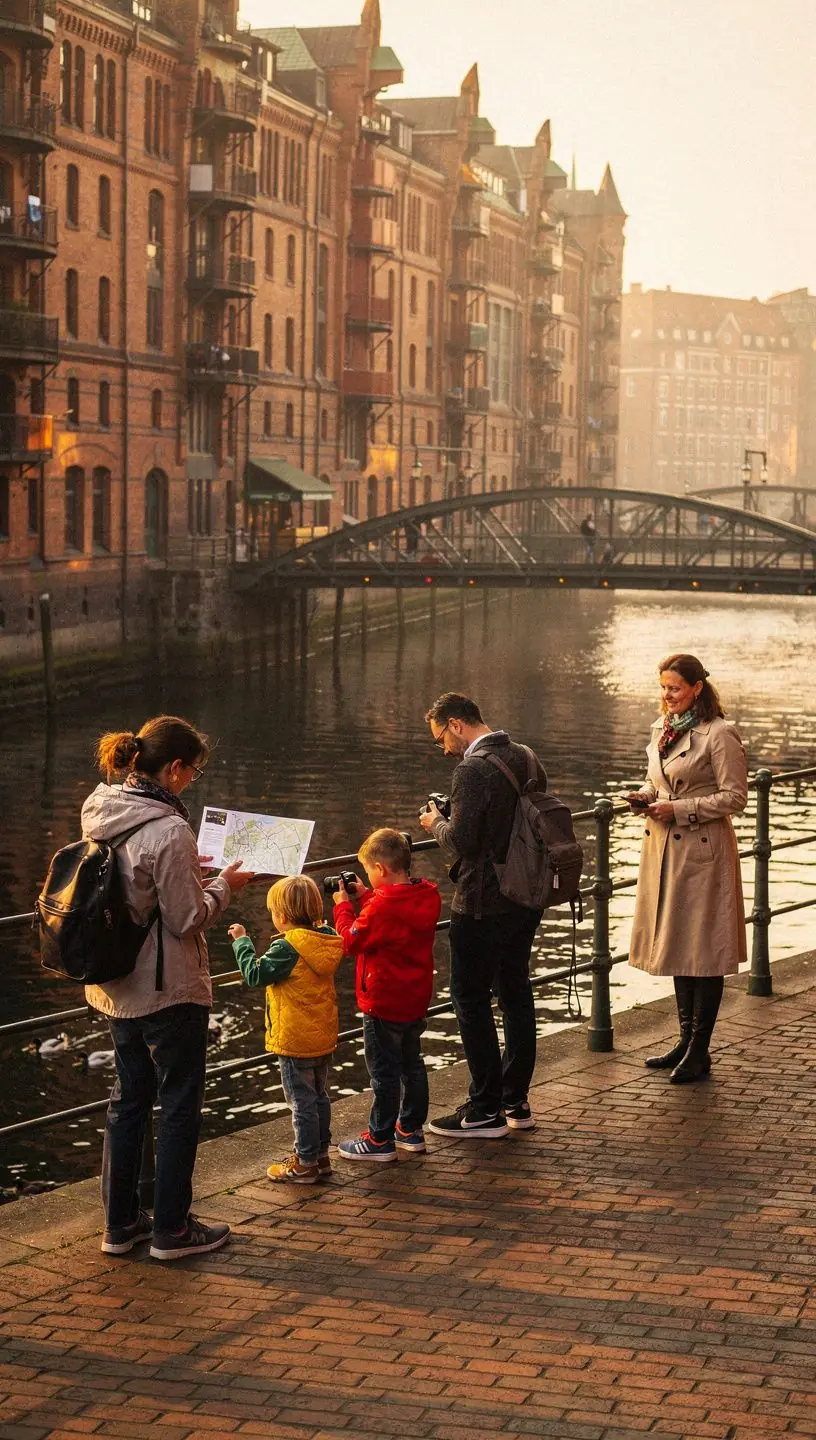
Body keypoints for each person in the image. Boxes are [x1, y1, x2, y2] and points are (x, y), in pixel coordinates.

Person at [82, 715, 254, 1261]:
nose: (191, 781)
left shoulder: (103, 809)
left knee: (128, 1099)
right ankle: (173, 1230)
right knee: (179, 1102)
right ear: (174, 768)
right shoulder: (169, 828)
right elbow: (186, 919)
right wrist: (226, 884)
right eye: (193, 772)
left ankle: (120, 1223)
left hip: (116, 982)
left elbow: (134, 886)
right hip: (166, 987)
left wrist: (188, 873)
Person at [419, 693, 545, 1137]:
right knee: (515, 993)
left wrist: (435, 822)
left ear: (456, 724)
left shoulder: (471, 768)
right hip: (525, 894)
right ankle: (517, 1102)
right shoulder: (525, 756)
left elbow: (465, 842)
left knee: (470, 1000)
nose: (443, 749)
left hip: (482, 902)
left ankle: (484, 1109)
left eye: (440, 739)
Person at [626, 654, 748, 1083]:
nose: (667, 696)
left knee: (705, 950)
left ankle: (700, 1050)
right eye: (663, 687)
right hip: (665, 852)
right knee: (680, 944)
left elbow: (735, 797)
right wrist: (643, 796)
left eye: (674, 688)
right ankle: (684, 1040)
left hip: (703, 854)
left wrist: (678, 809)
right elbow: (656, 780)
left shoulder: (719, 734)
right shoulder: (660, 729)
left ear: (696, 688)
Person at [333, 829, 441, 1161]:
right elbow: (394, 919)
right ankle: (410, 1129)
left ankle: (380, 1138)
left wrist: (342, 907)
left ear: (380, 868)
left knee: (383, 1072)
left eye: (368, 871)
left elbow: (351, 941)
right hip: (414, 996)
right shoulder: (426, 895)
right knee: (412, 1064)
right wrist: (367, 896)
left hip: (382, 1000)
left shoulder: (380, 908)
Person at [229, 876, 344, 1183]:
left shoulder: (288, 947)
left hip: (294, 1038)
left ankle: (304, 1163)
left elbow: (255, 974)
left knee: (301, 1101)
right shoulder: (326, 937)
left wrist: (242, 941)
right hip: (322, 1033)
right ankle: (321, 1156)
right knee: (319, 1096)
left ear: (281, 916)